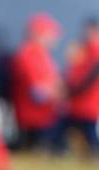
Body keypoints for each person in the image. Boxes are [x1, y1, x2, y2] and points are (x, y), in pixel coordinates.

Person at [11, 13, 62, 149]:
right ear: (38, 34)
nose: (54, 38)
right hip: (33, 118)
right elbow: (37, 93)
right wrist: (60, 94)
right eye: (50, 34)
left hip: (46, 115)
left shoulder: (43, 54)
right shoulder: (28, 54)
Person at [60, 19, 99, 153]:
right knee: (73, 128)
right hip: (80, 103)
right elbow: (74, 70)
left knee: (92, 133)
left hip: (91, 102)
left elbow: (93, 76)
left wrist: (73, 91)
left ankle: (98, 154)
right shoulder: (84, 48)